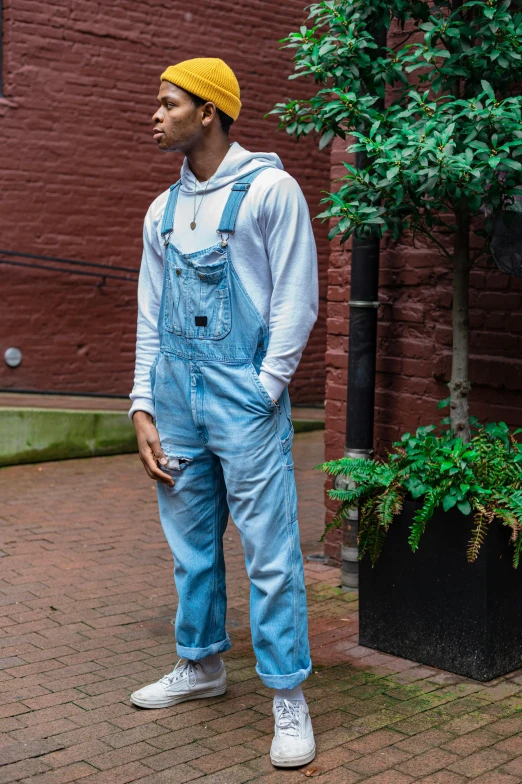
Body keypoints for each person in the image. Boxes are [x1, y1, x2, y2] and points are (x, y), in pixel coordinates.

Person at [128, 57, 319, 768]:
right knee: (191, 546)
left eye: (168, 103)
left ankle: (287, 694)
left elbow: (295, 302)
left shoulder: (271, 191)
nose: (155, 113)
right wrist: (143, 404)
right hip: (175, 397)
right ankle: (202, 666)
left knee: (271, 555)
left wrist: (264, 389)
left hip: (243, 396)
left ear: (208, 112)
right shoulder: (162, 210)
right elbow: (151, 315)